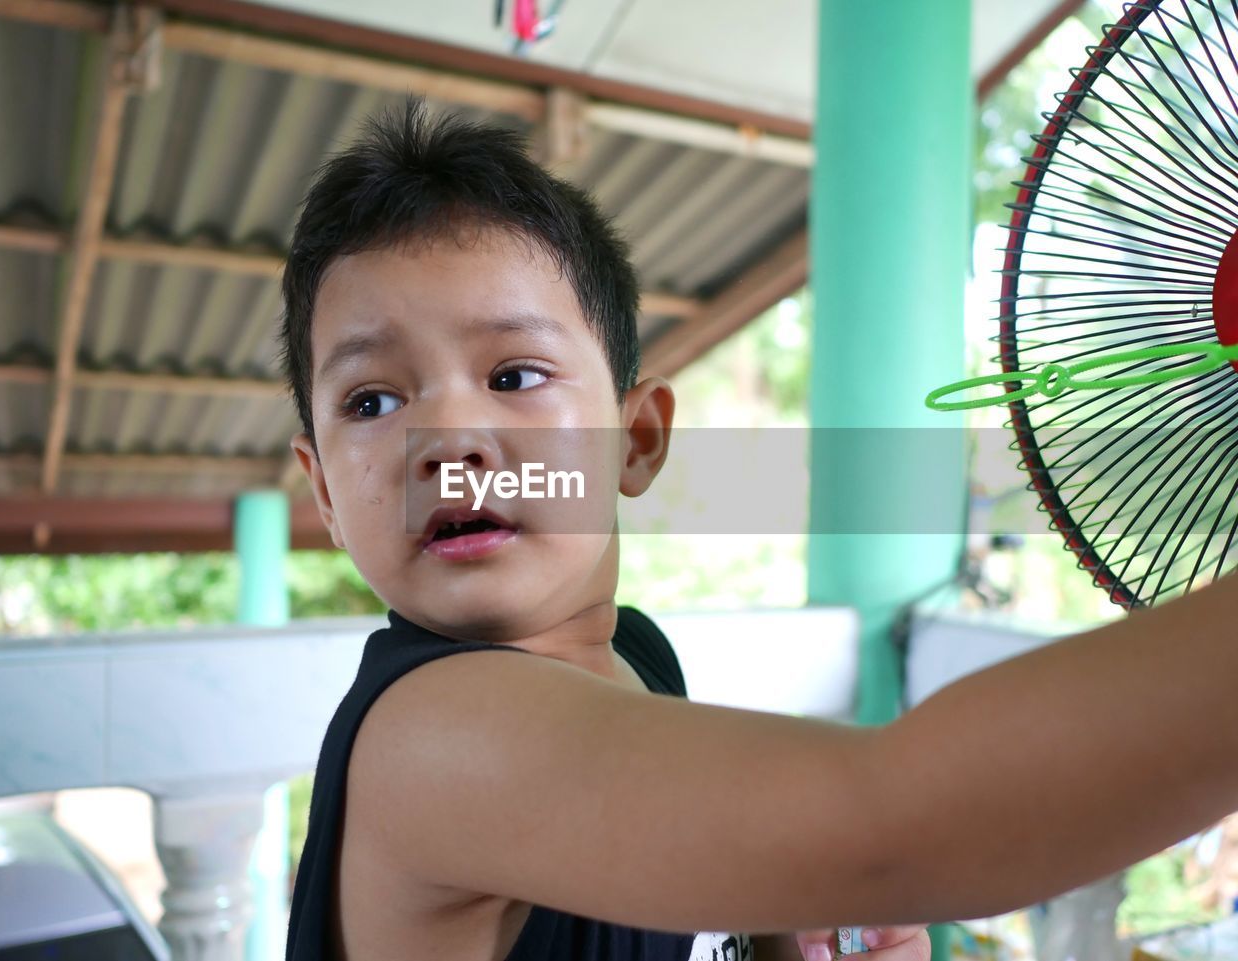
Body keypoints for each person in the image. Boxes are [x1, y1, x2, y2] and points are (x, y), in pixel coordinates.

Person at [279, 98, 1238, 961]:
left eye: (514, 376)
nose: (448, 441)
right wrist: (859, 861)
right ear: (323, 490)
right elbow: (894, 825)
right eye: (371, 399)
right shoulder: (435, 738)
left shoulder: (637, 662)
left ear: (637, 439)